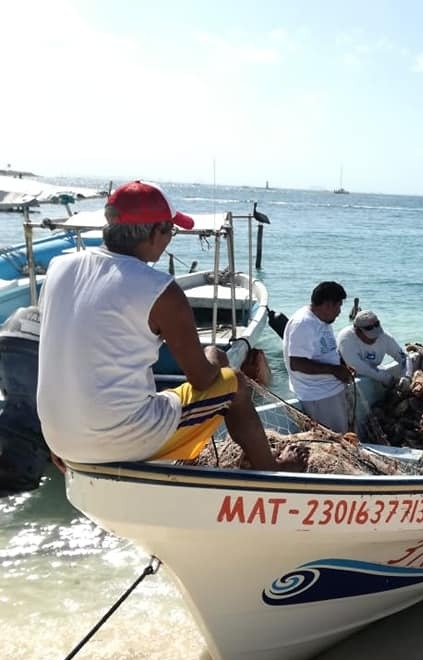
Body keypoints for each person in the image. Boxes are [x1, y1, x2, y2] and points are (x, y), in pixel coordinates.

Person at [36, 180, 280, 470]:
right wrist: (214, 355)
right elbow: (202, 378)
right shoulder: (160, 289)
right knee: (234, 384)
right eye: (171, 231)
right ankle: (271, 472)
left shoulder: (58, 268)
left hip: (58, 437)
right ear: (156, 233)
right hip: (119, 437)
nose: (169, 240)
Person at [282, 281, 354, 432]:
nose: (340, 311)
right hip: (318, 394)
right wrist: (335, 370)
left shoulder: (322, 320)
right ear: (327, 305)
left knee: (345, 435)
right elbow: (297, 363)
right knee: (333, 440)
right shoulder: (304, 324)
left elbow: (327, 349)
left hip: (332, 388)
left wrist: (342, 365)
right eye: (338, 305)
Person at [337, 310, 412, 391]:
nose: (375, 337)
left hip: (373, 373)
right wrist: (387, 379)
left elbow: (404, 357)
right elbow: (358, 367)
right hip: (345, 379)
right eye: (371, 334)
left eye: (377, 332)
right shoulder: (346, 338)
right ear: (357, 331)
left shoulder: (383, 336)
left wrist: (407, 376)